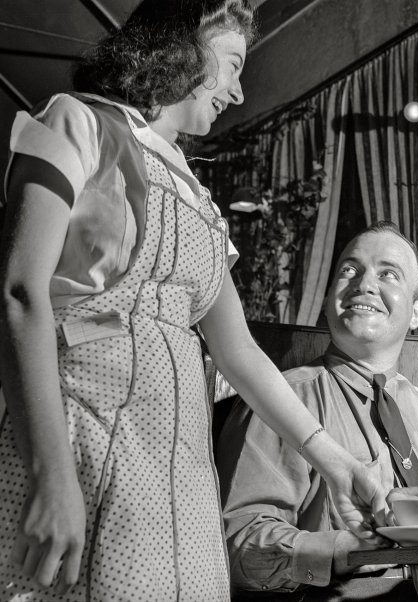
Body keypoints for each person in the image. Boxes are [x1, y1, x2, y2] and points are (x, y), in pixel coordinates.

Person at [0, 2, 383, 600]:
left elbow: (240, 353)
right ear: (182, 46)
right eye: (231, 65)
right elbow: (21, 291)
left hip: (179, 476)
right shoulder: (78, 123)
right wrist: (53, 477)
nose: (237, 90)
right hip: (83, 446)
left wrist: (334, 459)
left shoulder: (201, 199)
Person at [217, 221, 418, 597]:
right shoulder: (280, 401)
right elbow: (236, 543)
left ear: (416, 312)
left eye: (388, 274)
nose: (364, 284)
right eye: (350, 270)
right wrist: (339, 553)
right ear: (330, 297)